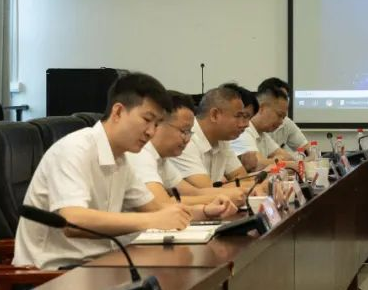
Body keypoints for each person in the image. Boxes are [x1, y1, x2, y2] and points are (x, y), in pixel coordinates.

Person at [14, 72, 193, 270]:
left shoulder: (122, 159)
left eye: (157, 124)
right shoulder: (74, 149)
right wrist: (151, 220)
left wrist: (205, 211)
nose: (151, 131)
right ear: (118, 112)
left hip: (101, 265)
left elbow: (157, 209)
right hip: (53, 274)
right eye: (147, 119)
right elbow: (72, 221)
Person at [127, 90, 240, 220]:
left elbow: (193, 193)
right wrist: (220, 198)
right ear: (158, 124)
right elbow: (162, 204)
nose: (187, 139)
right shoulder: (141, 154)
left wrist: (234, 194)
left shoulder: (161, 159)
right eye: (183, 131)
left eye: (189, 132)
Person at [171, 83, 264, 201]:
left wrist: (229, 187)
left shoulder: (222, 139)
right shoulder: (185, 140)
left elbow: (241, 177)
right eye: (239, 116)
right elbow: (207, 190)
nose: (246, 124)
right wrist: (257, 186)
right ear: (214, 115)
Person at [231, 84, 303, 173]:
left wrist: (274, 162)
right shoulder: (243, 131)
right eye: (279, 115)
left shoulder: (262, 134)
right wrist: (277, 160)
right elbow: (257, 165)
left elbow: (288, 158)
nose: (281, 122)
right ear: (261, 108)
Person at [260, 77, 311, 154]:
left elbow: (306, 148)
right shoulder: (249, 128)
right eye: (280, 96)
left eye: (286, 97)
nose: (284, 101)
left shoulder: (285, 122)